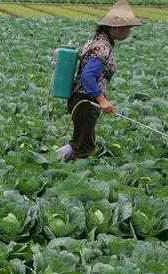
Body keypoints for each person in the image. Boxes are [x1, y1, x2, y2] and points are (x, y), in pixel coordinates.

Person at [56, 0, 142, 161]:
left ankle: (55, 160)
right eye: (127, 28)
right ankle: (67, 174)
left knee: (80, 142)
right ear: (116, 27)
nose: (128, 32)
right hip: (85, 102)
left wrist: (102, 97)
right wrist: (102, 100)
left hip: (81, 100)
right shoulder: (103, 47)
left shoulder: (99, 39)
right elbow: (87, 77)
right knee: (84, 148)